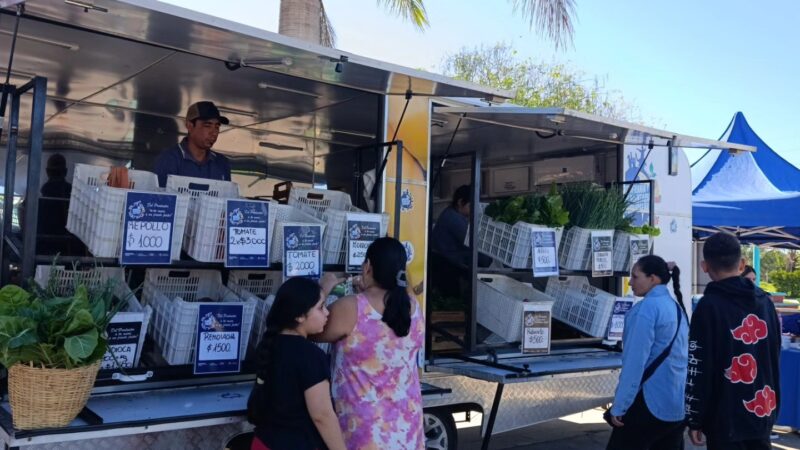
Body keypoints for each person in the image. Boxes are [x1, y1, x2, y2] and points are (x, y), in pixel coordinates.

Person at [316, 237, 424, 449]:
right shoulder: (413, 307)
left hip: (364, 431)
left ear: (367, 267)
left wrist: (323, 290)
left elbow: (309, 329)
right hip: (407, 428)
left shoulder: (351, 307)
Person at [686, 232, 781, 450]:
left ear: (704, 266)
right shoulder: (765, 302)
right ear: (742, 263)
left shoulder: (708, 306)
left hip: (724, 417)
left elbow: (699, 365)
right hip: (762, 409)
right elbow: (774, 357)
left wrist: (695, 418)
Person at [247, 277, 346, 450]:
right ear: (300, 316)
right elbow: (322, 415)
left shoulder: (268, 345)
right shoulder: (311, 355)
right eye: (321, 307)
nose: (327, 313)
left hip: (263, 443)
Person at [606, 255, 688, 450]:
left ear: (653, 278)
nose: (631, 282)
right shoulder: (675, 308)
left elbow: (634, 363)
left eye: (635, 277)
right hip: (676, 405)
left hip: (649, 403)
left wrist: (620, 405)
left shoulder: (645, 310)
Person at [429, 185, 490, 298]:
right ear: (461, 202)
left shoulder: (453, 214)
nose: (474, 209)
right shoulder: (453, 218)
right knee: (451, 299)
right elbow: (473, 242)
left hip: (447, 264)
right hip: (444, 266)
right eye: (471, 205)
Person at [154, 101, 232, 187]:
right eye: (207, 125)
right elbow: (159, 197)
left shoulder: (222, 163)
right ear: (190, 126)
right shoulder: (169, 159)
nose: (214, 133)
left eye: (217, 127)